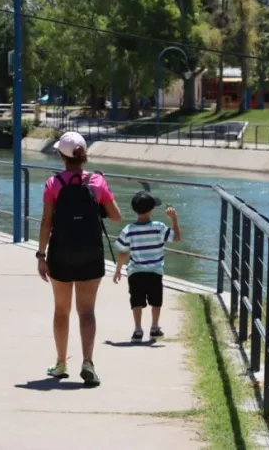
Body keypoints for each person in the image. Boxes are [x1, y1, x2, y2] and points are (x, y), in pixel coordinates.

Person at [36, 131, 121, 387]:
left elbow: (46, 222)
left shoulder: (53, 184)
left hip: (61, 253)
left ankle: (61, 363)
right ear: (84, 155)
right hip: (91, 254)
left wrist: (41, 255)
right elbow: (116, 216)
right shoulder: (97, 181)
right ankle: (88, 362)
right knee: (87, 312)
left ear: (61, 155)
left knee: (61, 311)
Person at [113, 194, 182, 342]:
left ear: (134, 210)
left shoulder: (128, 229)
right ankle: (154, 327)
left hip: (135, 272)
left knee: (136, 301)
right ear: (151, 210)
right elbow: (176, 237)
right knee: (156, 301)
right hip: (155, 271)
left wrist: (118, 270)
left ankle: (138, 329)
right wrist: (174, 219)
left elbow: (122, 251)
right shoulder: (159, 227)